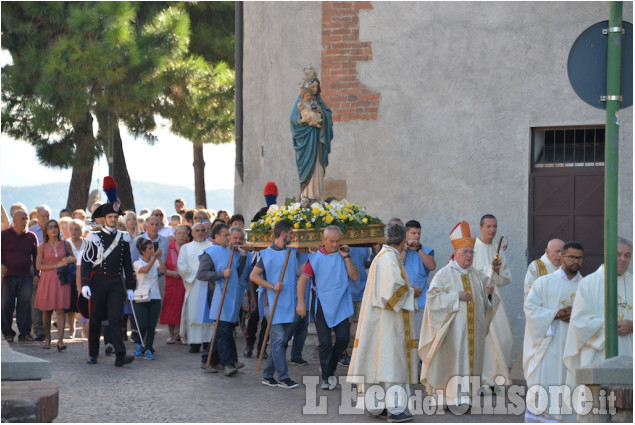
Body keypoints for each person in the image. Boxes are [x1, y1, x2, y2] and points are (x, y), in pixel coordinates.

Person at [418, 221, 497, 408]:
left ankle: (465, 398)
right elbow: (432, 299)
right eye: (465, 252)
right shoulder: (444, 274)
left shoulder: (477, 275)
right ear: (455, 254)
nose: (469, 256)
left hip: (472, 334)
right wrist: (456, 297)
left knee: (469, 363)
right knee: (453, 363)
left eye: (471, 252)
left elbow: (485, 304)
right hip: (453, 334)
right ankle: (450, 398)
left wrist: (489, 295)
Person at [347, 223, 418, 422]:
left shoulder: (384, 257)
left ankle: (377, 407)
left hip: (381, 322)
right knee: (391, 364)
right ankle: (395, 411)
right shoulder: (388, 259)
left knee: (379, 364)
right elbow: (391, 293)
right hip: (388, 324)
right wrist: (413, 291)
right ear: (403, 240)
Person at [523, 241, 584, 422]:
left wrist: (578, 314)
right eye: (572, 256)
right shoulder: (543, 283)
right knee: (546, 393)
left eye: (579, 258)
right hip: (549, 346)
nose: (576, 261)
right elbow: (530, 309)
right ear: (562, 257)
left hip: (575, 347)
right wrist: (555, 314)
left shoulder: (587, 285)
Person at [563, 238, 633, 389]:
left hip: (630, 354)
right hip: (599, 355)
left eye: (627, 255)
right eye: (618, 254)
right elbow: (579, 322)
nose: (623, 259)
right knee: (598, 405)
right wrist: (610, 325)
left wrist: (633, 326)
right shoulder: (589, 283)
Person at [296, 225, 358, 390]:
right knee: (324, 341)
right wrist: (301, 303)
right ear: (323, 240)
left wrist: (346, 257)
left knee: (344, 338)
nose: (335, 244)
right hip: (322, 302)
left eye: (338, 241)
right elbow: (302, 280)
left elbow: (354, 276)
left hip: (341, 302)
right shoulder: (315, 258)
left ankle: (329, 368)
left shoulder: (342, 255)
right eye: (331, 241)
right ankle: (326, 377)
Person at [81, 198, 136, 367]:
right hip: (98, 281)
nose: (113, 219)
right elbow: (86, 262)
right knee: (95, 319)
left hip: (115, 283)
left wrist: (130, 287)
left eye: (115, 216)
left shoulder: (123, 238)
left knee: (116, 319)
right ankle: (93, 354)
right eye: (110, 216)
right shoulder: (94, 236)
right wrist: (84, 284)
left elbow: (127, 263)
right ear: (103, 219)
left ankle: (120, 355)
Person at [250, 220, 300, 389]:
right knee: (278, 340)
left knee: (281, 342)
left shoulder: (291, 253)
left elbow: (296, 272)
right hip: (271, 302)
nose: (293, 236)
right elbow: (254, 276)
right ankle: (284, 378)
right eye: (291, 233)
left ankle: (268, 375)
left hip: (287, 302)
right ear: (284, 234)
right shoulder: (266, 255)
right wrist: (272, 286)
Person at [197, 224, 247, 377]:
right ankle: (227, 363)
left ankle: (208, 360)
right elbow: (202, 274)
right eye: (226, 235)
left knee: (223, 329)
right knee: (223, 330)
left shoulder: (230, 251)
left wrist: (243, 257)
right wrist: (220, 274)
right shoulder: (211, 252)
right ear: (216, 236)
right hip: (218, 295)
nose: (228, 238)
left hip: (230, 295)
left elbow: (236, 272)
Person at [471, 214, 512, 389]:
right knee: (486, 339)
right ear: (481, 227)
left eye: (495, 226)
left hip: (496, 298)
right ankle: (484, 380)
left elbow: (506, 277)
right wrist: (490, 269)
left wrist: (497, 271)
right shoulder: (472, 247)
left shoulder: (498, 249)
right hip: (479, 297)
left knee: (504, 337)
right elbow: (470, 273)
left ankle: (497, 379)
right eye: (488, 226)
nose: (492, 230)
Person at [290, 65, 333, 202]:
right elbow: (294, 121)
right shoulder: (300, 103)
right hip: (306, 143)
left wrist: (322, 115)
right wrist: (305, 121)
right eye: (312, 87)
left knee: (318, 167)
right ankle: (307, 196)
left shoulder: (319, 102)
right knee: (307, 168)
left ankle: (317, 196)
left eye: (316, 87)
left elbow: (328, 115)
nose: (315, 89)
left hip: (317, 142)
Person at [33, 219, 75, 351]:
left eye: (55, 226)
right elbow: (38, 265)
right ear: (46, 230)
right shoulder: (42, 246)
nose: (53, 229)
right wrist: (56, 265)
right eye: (50, 227)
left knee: (61, 310)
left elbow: (74, 258)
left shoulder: (65, 244)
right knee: (47, 310)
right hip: (47, 279)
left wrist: (68, 259)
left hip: (61, 279)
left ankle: (60, 341)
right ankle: (48, 338)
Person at [1, 209, 38, 342]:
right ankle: (7, 333)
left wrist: (36, 275)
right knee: (6, 304)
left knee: (25, 304)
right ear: (14, 220)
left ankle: (24, 333)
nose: (26, 221)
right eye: (23, 219)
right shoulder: (4, 235)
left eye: (27, 219)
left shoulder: (32, 236)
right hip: (8, 276)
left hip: (26, 276)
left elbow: (36, 256)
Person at [177, 222, 213, 350]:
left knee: (208, 313)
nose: (200, 232)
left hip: (209, 285)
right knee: (194, 312)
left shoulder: (212, 246)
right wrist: (197, 274)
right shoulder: (186, 248)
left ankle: (208, 341)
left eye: (202, 230)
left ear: (207, 232)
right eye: (197, 230)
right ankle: (195, 342)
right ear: (191, 233)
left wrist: (208, 275)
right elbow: (181, 266)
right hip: (194, 285)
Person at [132, 238, 166, 360]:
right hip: (141, 297)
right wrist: (154, 258)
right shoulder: (137, 263)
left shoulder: (155, 260)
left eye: (153, 248)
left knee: (152, 325)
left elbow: (163, 270)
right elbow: (145, 270)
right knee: (142, 323)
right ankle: (139, 344)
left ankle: (148, 348)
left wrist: (159, 258)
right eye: (149, 248)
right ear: (143, 251)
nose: (152, 250)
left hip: (155, 296)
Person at [401, 220, 436, 339]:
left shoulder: (426, 250)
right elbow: (398, 265)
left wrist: (418, 248)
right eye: (413, 233)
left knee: (420, 338)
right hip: (403, 302)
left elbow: (431, 266)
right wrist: (405, 248)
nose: (417, 236)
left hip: (421, 302)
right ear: (405, 234)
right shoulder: (399, 251)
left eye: (419, 233)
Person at [159, 225, 188, 343]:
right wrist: (170, 273)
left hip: (185, 282)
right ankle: (171, 335)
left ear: (187, 235)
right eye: (179, 233)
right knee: (169, 308)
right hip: (170, 281)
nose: (181, 235)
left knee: (184, 308)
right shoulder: (168, 247)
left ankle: (183, 335)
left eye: (184, 233)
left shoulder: (189, 247)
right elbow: (161, 264)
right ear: (174, 235)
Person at [131, 216, 169, 300]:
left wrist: (157, 257)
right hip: (144, 279)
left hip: (159, 278)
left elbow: (164, 261)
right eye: (152, 224)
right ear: (146, 227)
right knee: (143, 306)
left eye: (156, 224)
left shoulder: (164, 241)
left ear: (159, 226)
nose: (154, 227)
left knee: (158, 308)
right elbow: (132, 261)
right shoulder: (137, 241)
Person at [30, 205, 51, 341]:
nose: (45, 218)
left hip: (51, 269)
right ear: (37, 217)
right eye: (43, 216)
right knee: (36, 300)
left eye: (47, 216)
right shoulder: (31, 232)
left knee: (49, 300)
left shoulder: (54, 230)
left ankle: (47, 329)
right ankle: (38, 330)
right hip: (36, 268)